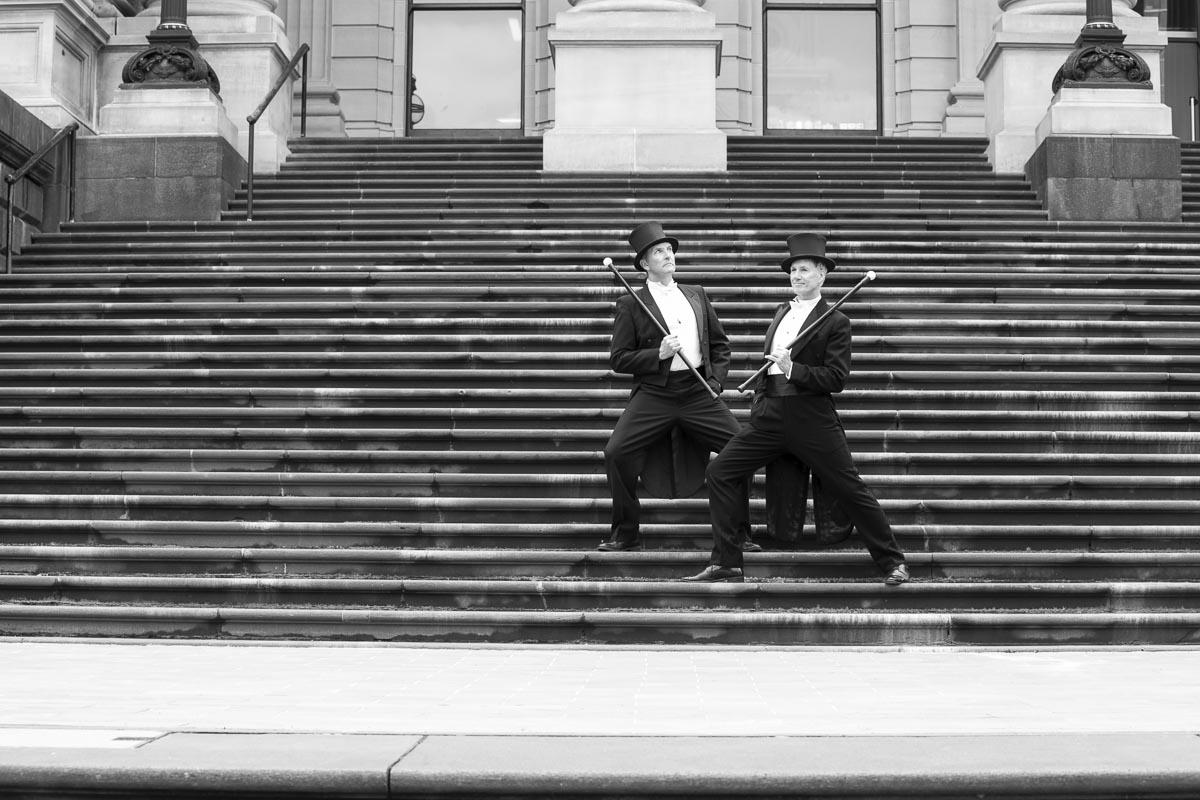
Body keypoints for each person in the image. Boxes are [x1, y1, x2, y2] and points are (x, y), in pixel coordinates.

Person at [684, 232, 909, 585]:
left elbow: (836, 378)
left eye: (805, 269)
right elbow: (769, 363)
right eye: (793, 270)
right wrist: (762, 392)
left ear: (822, 274)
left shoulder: (836, 321)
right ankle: (727, 561)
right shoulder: (781, 311)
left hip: (812, 417)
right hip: (770, 416)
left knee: (848, 486)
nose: (797, 276)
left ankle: (892, 560)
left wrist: (794, 370)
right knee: (720, 472)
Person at [599, 221, 751, 552]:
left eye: (669, 249)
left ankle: (738, 532)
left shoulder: (696, 294)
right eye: (659, 251)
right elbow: (619, 359)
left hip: (698, 391)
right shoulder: (631, 304)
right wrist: (658, 354)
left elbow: (721, 347)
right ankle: (626, 531)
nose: (668, 255)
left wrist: (716, 382)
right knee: (617, 453)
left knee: (742, 447)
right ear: (644, 264)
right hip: (655, 393)